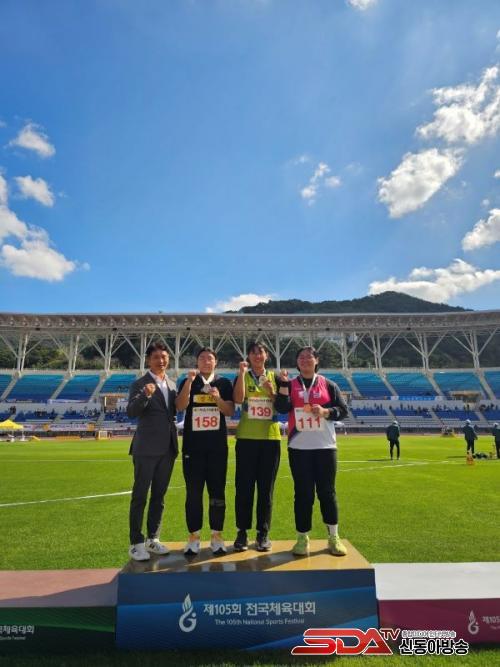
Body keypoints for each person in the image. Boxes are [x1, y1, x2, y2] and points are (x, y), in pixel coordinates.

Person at [275, 346, 348, 557]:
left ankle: (333, 537)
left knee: (327, 493)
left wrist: (326, 411)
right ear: (297, 362)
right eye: (301, 357)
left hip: (325, 447)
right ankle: (302, 537)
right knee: (303, 494)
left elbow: (343, 411)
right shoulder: (290, 384)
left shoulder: (329, 384)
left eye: (309, 357)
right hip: (299, 448)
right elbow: (282, 408)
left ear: (316, 361)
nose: (305, 360)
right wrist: (283, 385)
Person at [176, 348, 234, 556]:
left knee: (217, 493)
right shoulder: (188, 381)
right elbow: (180, 406)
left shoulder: (224, 383)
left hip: (217, 448)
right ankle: (194, 537)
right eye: (202, 358)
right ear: (197, 362)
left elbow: (229, 411)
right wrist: (189, 383)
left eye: (210, 358)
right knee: (193, 493)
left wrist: (217, 398)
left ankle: (217, 536)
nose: (206, 361)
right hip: (193, 448)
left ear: (215, 362)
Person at [126, 342, 178, 561]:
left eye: (164, 357)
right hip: (146, 448)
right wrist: (145, 396)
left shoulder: (172, 384)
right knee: (140, 496)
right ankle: (136, 543)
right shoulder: (139, 383)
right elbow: (131, 412)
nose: (161, 360)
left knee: (159, 496)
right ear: (148, 360)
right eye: (156, 357)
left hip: (168, 448)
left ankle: (153, 538)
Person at [233, 341, 281, 552]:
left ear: (267, 355)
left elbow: (283, 406)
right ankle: (242, 532)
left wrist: (271, 392)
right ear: (248, 357)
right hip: (246, 438)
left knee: (266, 490)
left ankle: (263, 533)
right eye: (252, 353)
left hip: (270, 439)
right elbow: (238, 399)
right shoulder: (242, 375)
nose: (257, 356)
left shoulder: (276, 378)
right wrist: (241, 373)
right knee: (244, 488)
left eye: (260, 352)